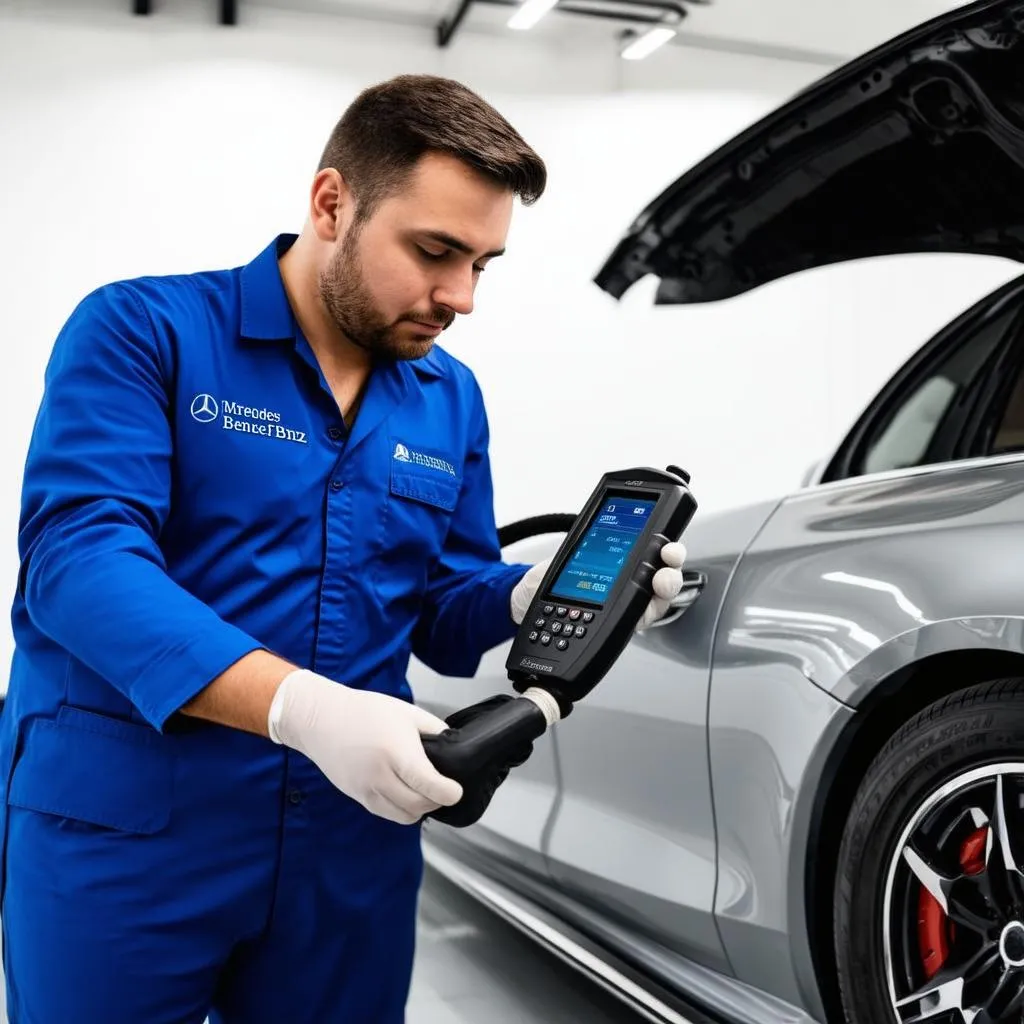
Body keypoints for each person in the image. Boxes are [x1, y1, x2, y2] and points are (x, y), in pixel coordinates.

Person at [0, 74, 687, 1023]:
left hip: (345, 843)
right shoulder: (143, 331)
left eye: (484, 263)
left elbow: (442, 609)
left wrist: (528, 594)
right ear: (332, 204)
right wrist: (299, 708)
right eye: (436, 251)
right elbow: (79, 563)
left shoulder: (447, 396)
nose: (461, 297)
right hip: (129, 831)